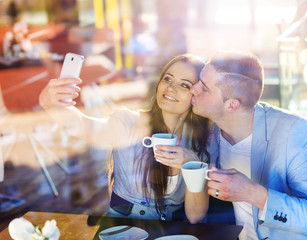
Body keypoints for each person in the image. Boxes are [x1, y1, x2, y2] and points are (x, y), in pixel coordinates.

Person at [188, 50, 307, 239]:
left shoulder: (292, 130)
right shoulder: (213, 132)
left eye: (204, 88)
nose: (193, 88)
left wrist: (252, 193)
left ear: (232, 105)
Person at [39, 54, 214, 222]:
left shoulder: (202, 141)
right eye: (168, 79)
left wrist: (193, 165)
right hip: (123, 230)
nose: (171, 88)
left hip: (172, 233)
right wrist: (51, 104)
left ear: (196, 95)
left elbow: (195, 216)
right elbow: (84, 126)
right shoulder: (129, 122)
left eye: (184, 85)